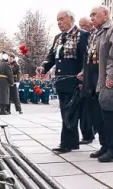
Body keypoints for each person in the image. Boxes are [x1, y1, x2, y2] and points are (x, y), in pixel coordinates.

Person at [38, 10, 89, 153]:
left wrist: (84, 74)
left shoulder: (82, 35)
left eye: (62, 19)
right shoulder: (58, 38)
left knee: (70, 112)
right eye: (57, 20)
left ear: (71, 19)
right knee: (65, 111)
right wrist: (43, 67)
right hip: (61, 82)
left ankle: (66, 143)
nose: (59, 22)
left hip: (75, 80)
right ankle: (71, 142)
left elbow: (87, 58)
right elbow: (51, 57)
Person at [84, 5, 113, 162]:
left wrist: (111, 77)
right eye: (90, 15)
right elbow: (94, 57)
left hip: (110, 81)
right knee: (98, 116)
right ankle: (105, 145)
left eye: (94, 14)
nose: (92, 18)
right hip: (96, 80)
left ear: (105, 14)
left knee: (110, 115)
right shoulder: (97, 33)